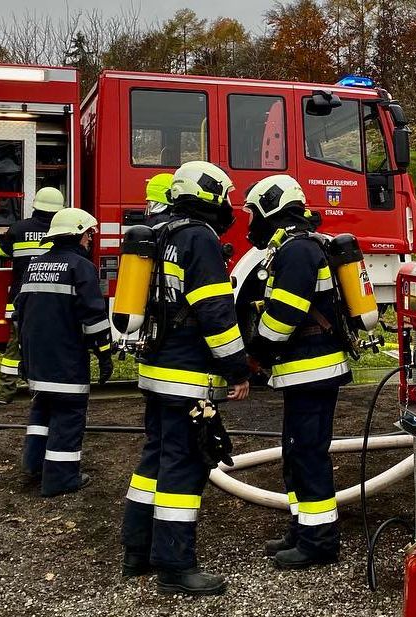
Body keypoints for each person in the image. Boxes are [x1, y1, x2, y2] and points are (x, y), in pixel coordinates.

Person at [120, 161, 250, 596]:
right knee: (184, 465)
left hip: (156, 370)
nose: (228, 205)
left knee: (154, 460)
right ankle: (175, 567)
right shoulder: (199, 238)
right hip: (187, 375)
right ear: (209, 195)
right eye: (225, 196)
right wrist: (237, 367)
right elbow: (215, 311)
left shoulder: (157, 233)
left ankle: (137, 551)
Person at [245, 174, 351, 570]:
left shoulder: (297, 250)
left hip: (312, 370)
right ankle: (302, 529)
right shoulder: (294, 247)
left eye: (253, 213)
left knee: (308, 455)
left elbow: (283, 317)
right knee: (295, 454)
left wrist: (255, 352)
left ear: (270, 208)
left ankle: (319, 542)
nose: (250, 222)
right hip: (304, 371)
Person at [15, 208, 113, 497]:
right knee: (68, 416)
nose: (90, 239)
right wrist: (104, 354)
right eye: (88, 234)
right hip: (66, 359)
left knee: (42, 408)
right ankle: (60, 479)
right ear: (78, 234)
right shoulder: (81, 267)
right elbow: (94, 318)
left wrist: (24, 356)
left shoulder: (35, 265)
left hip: (37, 357)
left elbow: (21, 313)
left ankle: (34, 464)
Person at [0, 187, 66, 404]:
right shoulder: (61, 232)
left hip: (19, 301)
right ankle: (41, 391)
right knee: (46, 345)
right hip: (50, 301)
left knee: (13, 348)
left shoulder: (18, 228)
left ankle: (5, 393)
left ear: (35, 206)